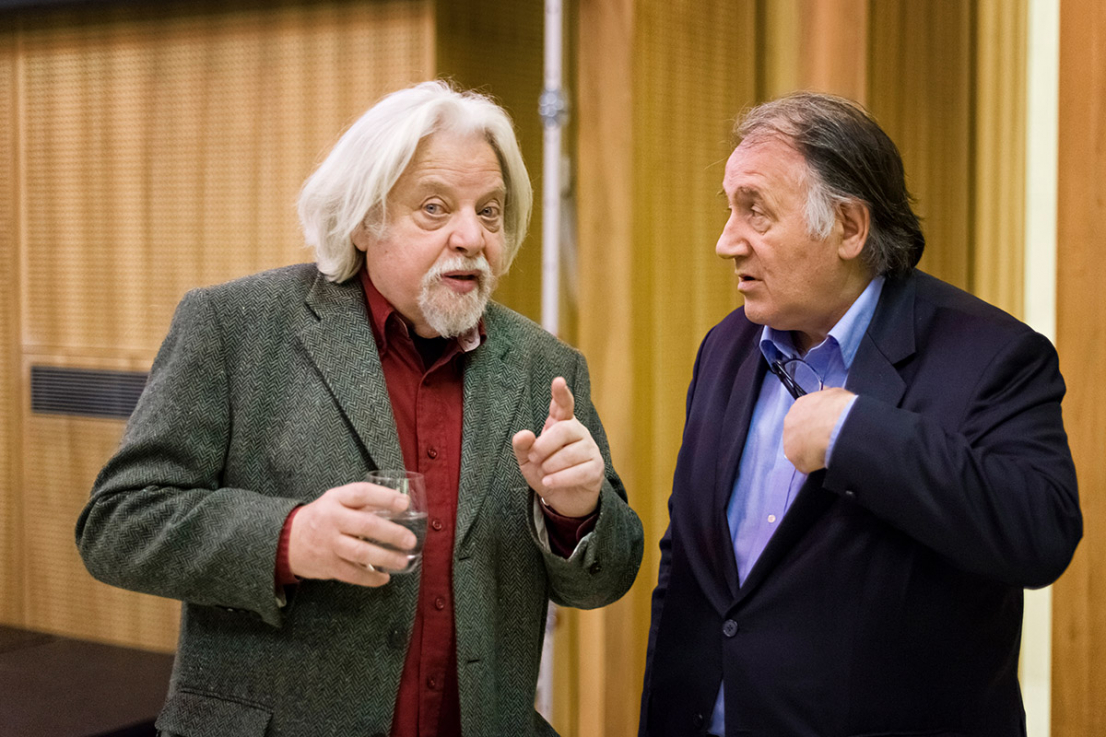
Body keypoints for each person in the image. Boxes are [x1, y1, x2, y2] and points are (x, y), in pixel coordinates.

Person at [76, 80, 643, 737]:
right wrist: (289, 538)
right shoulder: (235, 327)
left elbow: (603, 580)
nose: (471, 235)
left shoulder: (547, 367)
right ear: (363, 220)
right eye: (435, 207)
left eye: (489, 211)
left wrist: (577, 514)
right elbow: (118, 523)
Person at [639, 92, 1082, 736]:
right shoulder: (725, 347)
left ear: (849, 227)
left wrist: (856, 433)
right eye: (729, 208)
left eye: (755, 211)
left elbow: (1040, 533)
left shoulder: (993, 356)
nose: (725, 241)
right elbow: (686, 564)